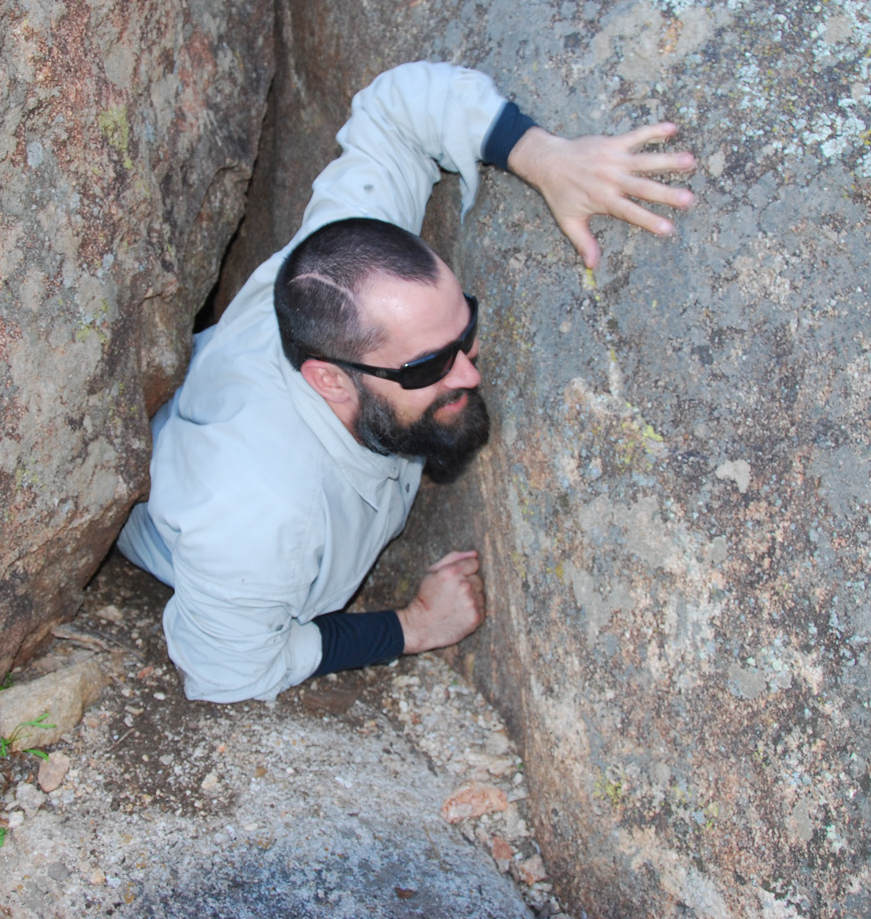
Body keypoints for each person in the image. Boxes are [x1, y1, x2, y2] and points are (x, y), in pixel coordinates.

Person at [117, 62, 694, 702]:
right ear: (331, 381)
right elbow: (227, 671)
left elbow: (396, 108)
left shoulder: (343, 272)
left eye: (465, 328)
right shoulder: (262, 522)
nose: (470, 371)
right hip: (165, 505)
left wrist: (545, 157)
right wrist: (413, 627)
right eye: (427, 366)